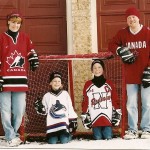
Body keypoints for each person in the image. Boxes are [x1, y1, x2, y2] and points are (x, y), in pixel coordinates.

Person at [108, 7, 150, 140]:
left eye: (133, 17)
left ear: (138, 18)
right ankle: (132, 129)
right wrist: (120, 49)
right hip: (130, 74)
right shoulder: (123, 33)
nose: (131, 19)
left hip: (146, 74)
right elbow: (111, 44)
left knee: (147, 103)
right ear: (126, 20)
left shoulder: (147, 32)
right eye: (129, 18)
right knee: (131, 103)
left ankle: (146, 129)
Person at [0, 11, 39, 146]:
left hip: (20, 81)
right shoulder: (1, 38)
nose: (15, 25)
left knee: (19, 110)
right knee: (5, 110)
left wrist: (33, 59)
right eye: (13, 22)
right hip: (4, 81)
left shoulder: (25, 37)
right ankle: (10, 136)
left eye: (18, 23)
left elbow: (31, 51)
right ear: (8, 22)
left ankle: (14, 134)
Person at [81, 59, 121, 140]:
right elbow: (85, 101)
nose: (97, 70)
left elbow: (114, 99)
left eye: (99, 67)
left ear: (103, 69)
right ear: (92, 70)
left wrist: (117, 111)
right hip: (95, 118)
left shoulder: (109, 83)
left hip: (107, 117)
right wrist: (84, 113)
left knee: (108, 137)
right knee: (97, 139)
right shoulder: (88, 84)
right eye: (94, 68)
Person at [34, 71, 78, 144]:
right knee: (52, 142)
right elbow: (44, 111)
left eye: (59, 81)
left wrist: (73, 120)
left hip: (63, 124)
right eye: (54, 81)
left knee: (64, 141)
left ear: (61, 83)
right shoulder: (46, 96)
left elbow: (70, 108)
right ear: (50, 83)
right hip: (52, 125)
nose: (57, 83)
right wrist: (40, 108)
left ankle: (69, 136)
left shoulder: (65, 94)